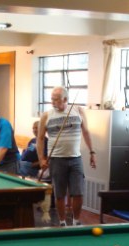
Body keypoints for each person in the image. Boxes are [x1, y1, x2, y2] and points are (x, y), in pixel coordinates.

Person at [37, 86, 96, 227]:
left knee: (78, 192)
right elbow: (40, 138)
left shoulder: (78, 110)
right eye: (51, 99)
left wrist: (92, 152)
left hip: (75, 158)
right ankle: (62, 222)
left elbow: (86, 132)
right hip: (56, 159)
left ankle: (76, 221)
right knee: (60, 194)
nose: (52, 102)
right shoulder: (46, 115)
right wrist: (41, 159)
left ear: (65, 99)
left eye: (56, 100)